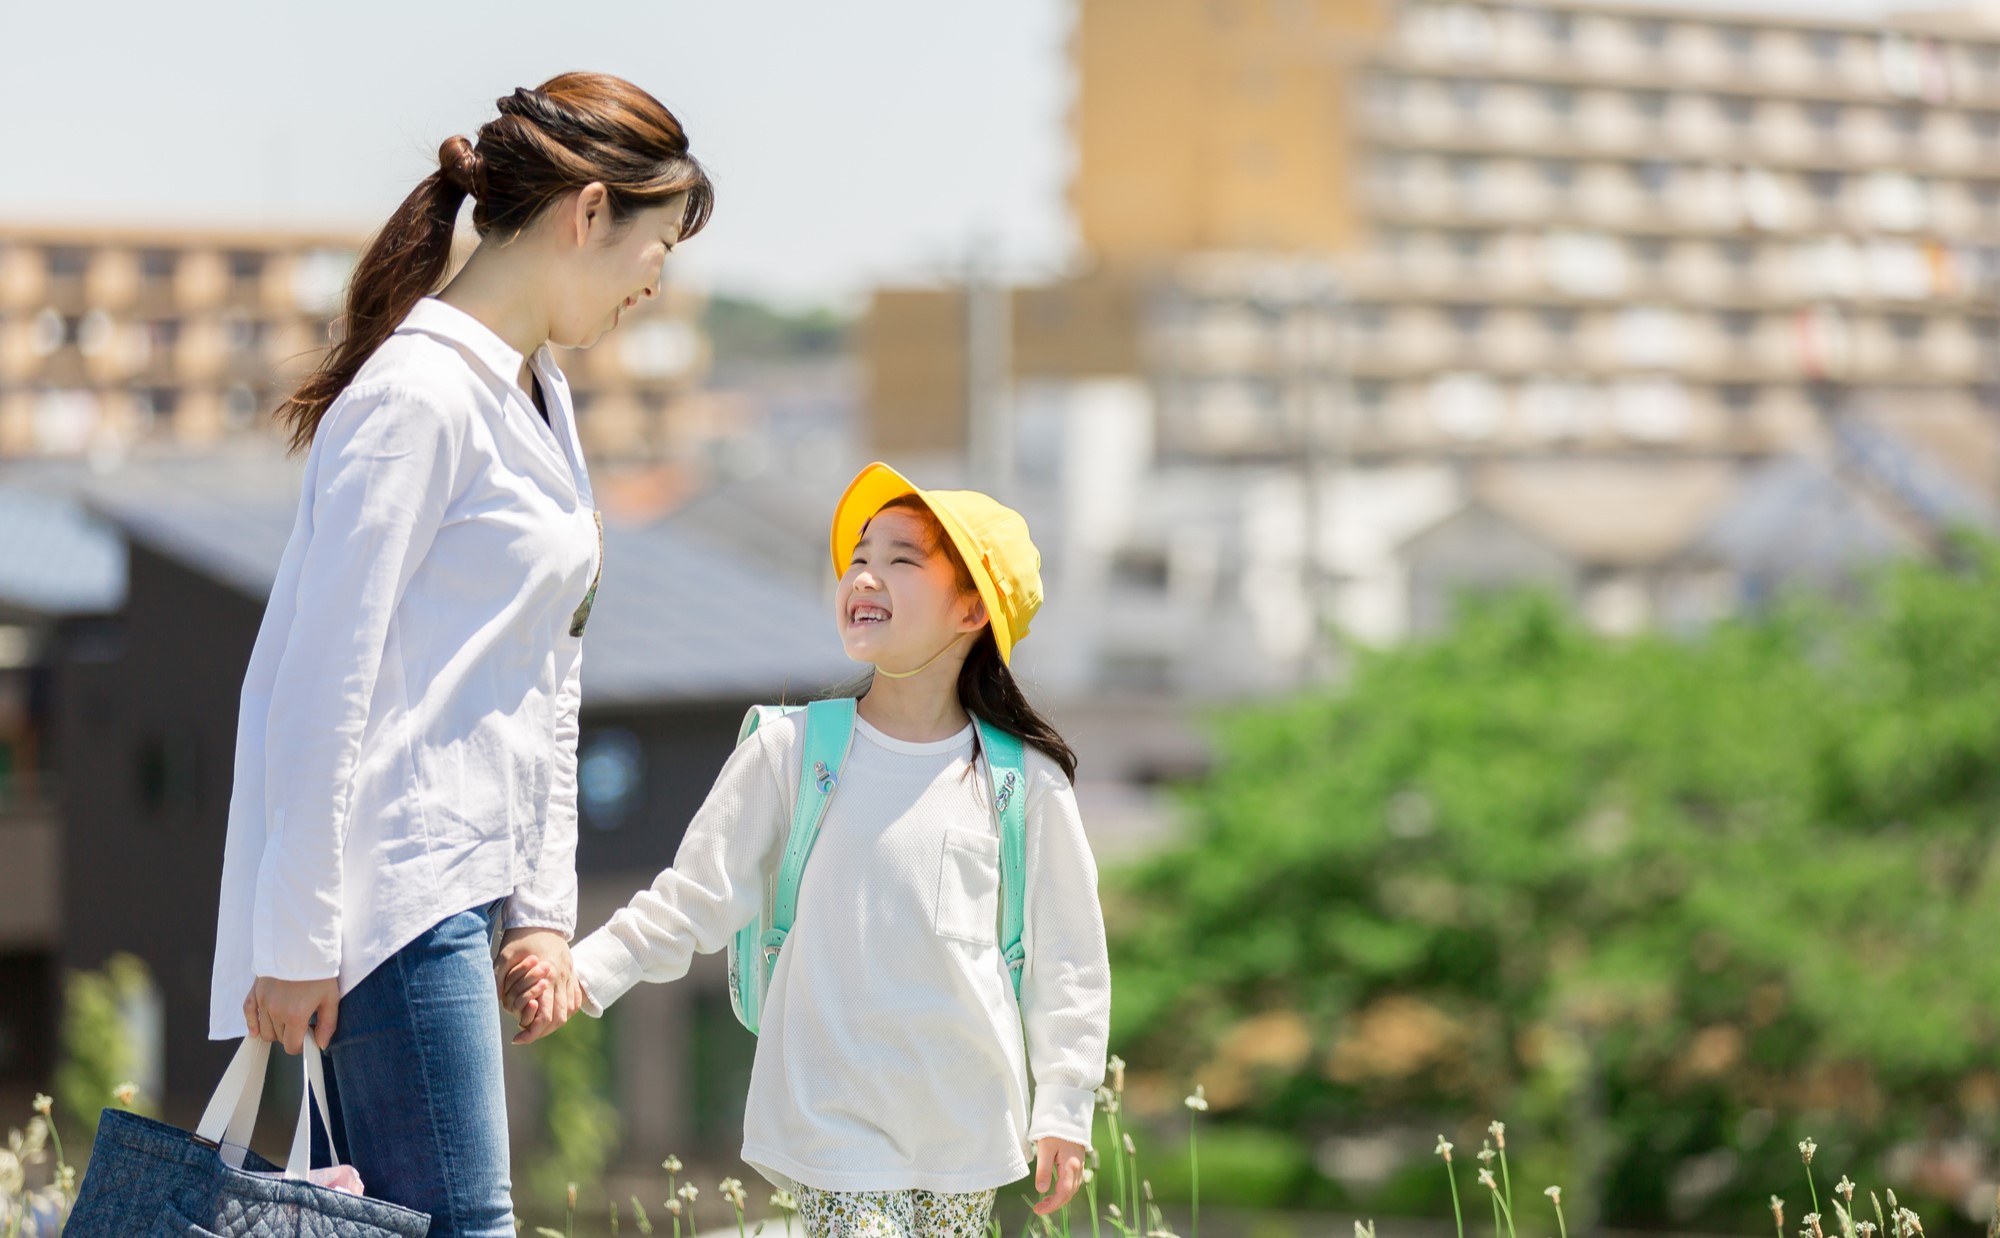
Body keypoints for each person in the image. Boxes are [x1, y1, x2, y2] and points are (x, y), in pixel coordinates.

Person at [207, 72, 712, 1237]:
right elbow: (317, 677)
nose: (652, 281)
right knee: (460, 1221)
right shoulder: (418, 397)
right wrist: (294, 936)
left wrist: (540, 903)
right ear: (586, 213)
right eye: (656, 248)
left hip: (460, 887)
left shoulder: (537, 393)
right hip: (388, 894)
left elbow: (547, 673)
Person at [504, 462, 1111, 1238]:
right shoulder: (792, 751)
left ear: (970, 610)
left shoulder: (1023, 782)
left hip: (964, 1126)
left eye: (901, 559)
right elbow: (694, 898)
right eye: (860, 555)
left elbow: (1068, 961)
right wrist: (581, 973)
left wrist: (1064, 1105)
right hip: (833, 1124)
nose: (864, 573)